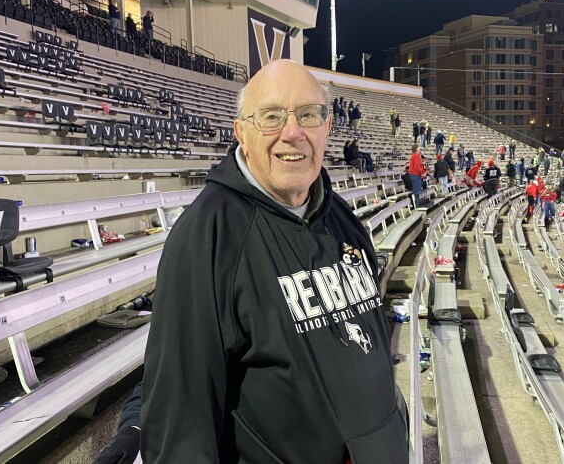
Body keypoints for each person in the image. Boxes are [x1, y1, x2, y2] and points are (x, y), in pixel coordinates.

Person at [141, 60, 408, 463]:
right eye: (271, 117)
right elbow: (181, 413)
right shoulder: (208, 235)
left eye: (308, 115)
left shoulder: (341, 217)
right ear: (241, 134)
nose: (293, 132)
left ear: (328, 127)